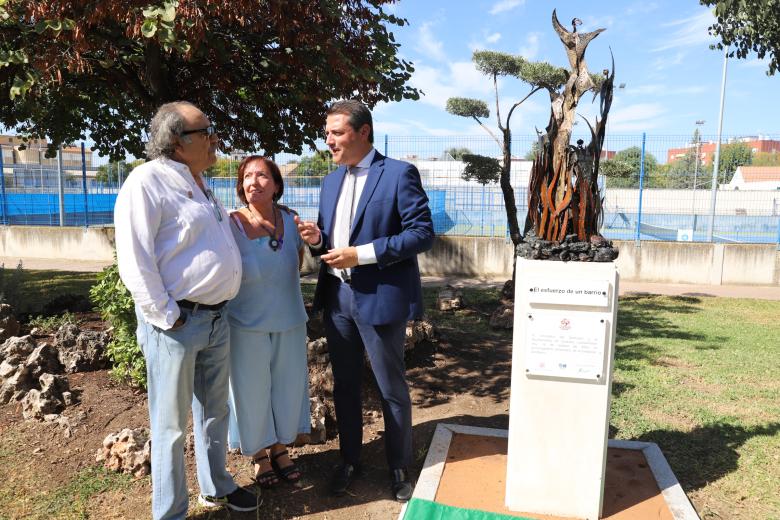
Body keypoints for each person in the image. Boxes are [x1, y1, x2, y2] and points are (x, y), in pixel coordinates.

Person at [114, 101, 258, 519]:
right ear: (178, 141)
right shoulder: (146, 182)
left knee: (216, 413)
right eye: (207, 131)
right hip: (177, 325)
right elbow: (135, 260)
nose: (216, 138)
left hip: (215, 319)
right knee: (171, 426)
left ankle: (217, 487)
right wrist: (168, 315)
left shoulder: (199, 182)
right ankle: (170, 513)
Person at [295, 99, 434, 502]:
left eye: (336, 133)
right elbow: (332, 237)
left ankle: (398, 466)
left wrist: (363, 253)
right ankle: (350, 461)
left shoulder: (397, 174)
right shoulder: (329, 181)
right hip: (338, 298)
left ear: (363, 132)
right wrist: (319, 240)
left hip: (379, 299)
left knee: (391, 386)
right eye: (326, 134)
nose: (328, 141)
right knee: (345, 386)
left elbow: (421, 233)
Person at [225, 156, 310, 489]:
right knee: (251, 391)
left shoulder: (290, 219)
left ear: (276, 185)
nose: (253, 182)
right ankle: (261, 454)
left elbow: (301, 259)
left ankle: (280, 447)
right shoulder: (230, 223)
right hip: (245, 323)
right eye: (247, 176)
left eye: (262, 175)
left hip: (290, 318)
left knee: (287, 388)